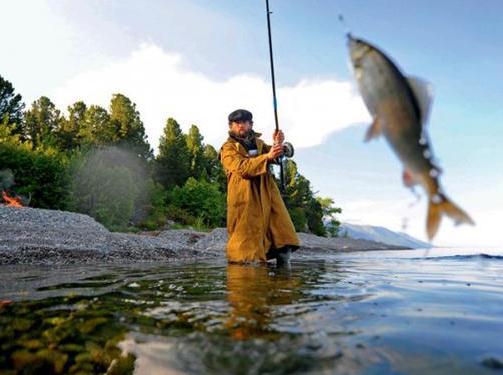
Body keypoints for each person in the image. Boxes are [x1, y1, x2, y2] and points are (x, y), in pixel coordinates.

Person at [219, 109, 299, 265]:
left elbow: (279, 156)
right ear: (231, 126)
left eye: (246, 122)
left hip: (268, 194)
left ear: (251, 124)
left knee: (283, 239)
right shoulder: (227, 149)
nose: (242, 125)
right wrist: (268, 157)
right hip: (245, 198)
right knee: (246, 251)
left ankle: (284, 284)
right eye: (238, 123)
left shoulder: (260, 144)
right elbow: (241, 168)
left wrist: (279, 145)